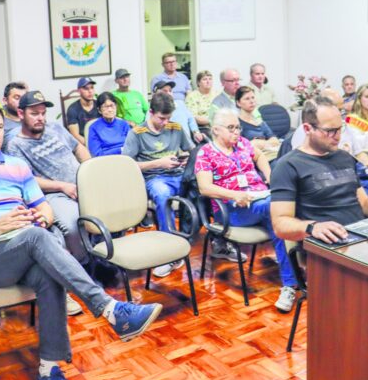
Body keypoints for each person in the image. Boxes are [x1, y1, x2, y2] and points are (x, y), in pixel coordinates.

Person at [0, 104, 162, 380]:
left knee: (48, 275)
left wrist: (43, 215)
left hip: (22, 246)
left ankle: (48, 371)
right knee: (37, 238)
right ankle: (110, 309)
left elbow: (43, 206)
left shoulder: (17, 167)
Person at [195, 108, 297, 312]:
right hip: (233, 210)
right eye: (231, 128)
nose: (236, 132)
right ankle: (294, 279)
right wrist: (234, 195)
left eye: (238, 127)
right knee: (279, 210)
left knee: (280, 218)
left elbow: (259, 157)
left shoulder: (242, 143)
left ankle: (291, 284)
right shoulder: (206, 153)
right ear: (216, 130)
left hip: (261, 200)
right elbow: (204, 188)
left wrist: (269, 176)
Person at [270, 95, 368, 243]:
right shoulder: (288, 165)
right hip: (324, 245)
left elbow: (365, 205)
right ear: (307, 128)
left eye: (339, 129)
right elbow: (280, 224)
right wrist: (313, 227)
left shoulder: (345, 158)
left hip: (359, 236)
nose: (337, 136)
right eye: (330, 131)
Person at [5, 91, 91, 265]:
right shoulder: (15, 145)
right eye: (34, 114)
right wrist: (62, 186)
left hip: (81, 183)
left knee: (111, 207)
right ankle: (85, 265)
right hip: (53, 193)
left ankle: (105, 257)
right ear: (21, 114)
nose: (40, 118)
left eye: (43, 113)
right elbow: (27, 180)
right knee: (73, 224)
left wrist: (91, 171)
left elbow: (78, 148)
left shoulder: (56, 128)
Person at [122, 93, 193, 278]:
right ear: (151, 113)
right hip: (155, 178)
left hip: (178, 174)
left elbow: (191, 151)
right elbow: (127, 165)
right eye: (162, 118)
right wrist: (158, 163)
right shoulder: (136, 133)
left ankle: (196, 238)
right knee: (162, 195)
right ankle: (169, 253)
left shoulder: (176, 128)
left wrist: (186, 160)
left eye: (168, 118)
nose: (165, 122)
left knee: (200, 187)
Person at [236, 86, 280, 158]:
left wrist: (260, 143)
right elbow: (240, 147)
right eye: (247, 99)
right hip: (251, 159)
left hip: (268, 155)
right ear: (238, 103)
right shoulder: (236, 124)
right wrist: (266, 143)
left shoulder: (259, 121)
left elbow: (275, 141)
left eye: (253, 98)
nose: (252, 101)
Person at [87, 92, 130, 157]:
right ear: (99, 110)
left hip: (126, 158)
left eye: (112, 106)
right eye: (105, 107)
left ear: (116, 107)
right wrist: (120, 150)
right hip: (105, 161)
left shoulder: (124, 124)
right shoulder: (93, 128)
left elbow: (132, 146)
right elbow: (97, 153)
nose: (110, 110)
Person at [66, 77, 99, 146]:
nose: (90, 91)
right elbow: (75, 135)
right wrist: (91, 145)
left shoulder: (99, 105)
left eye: (92, 87)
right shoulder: (73, 109)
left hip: (100, 141)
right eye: (86, 88)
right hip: (83, 143)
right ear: (79, 91)